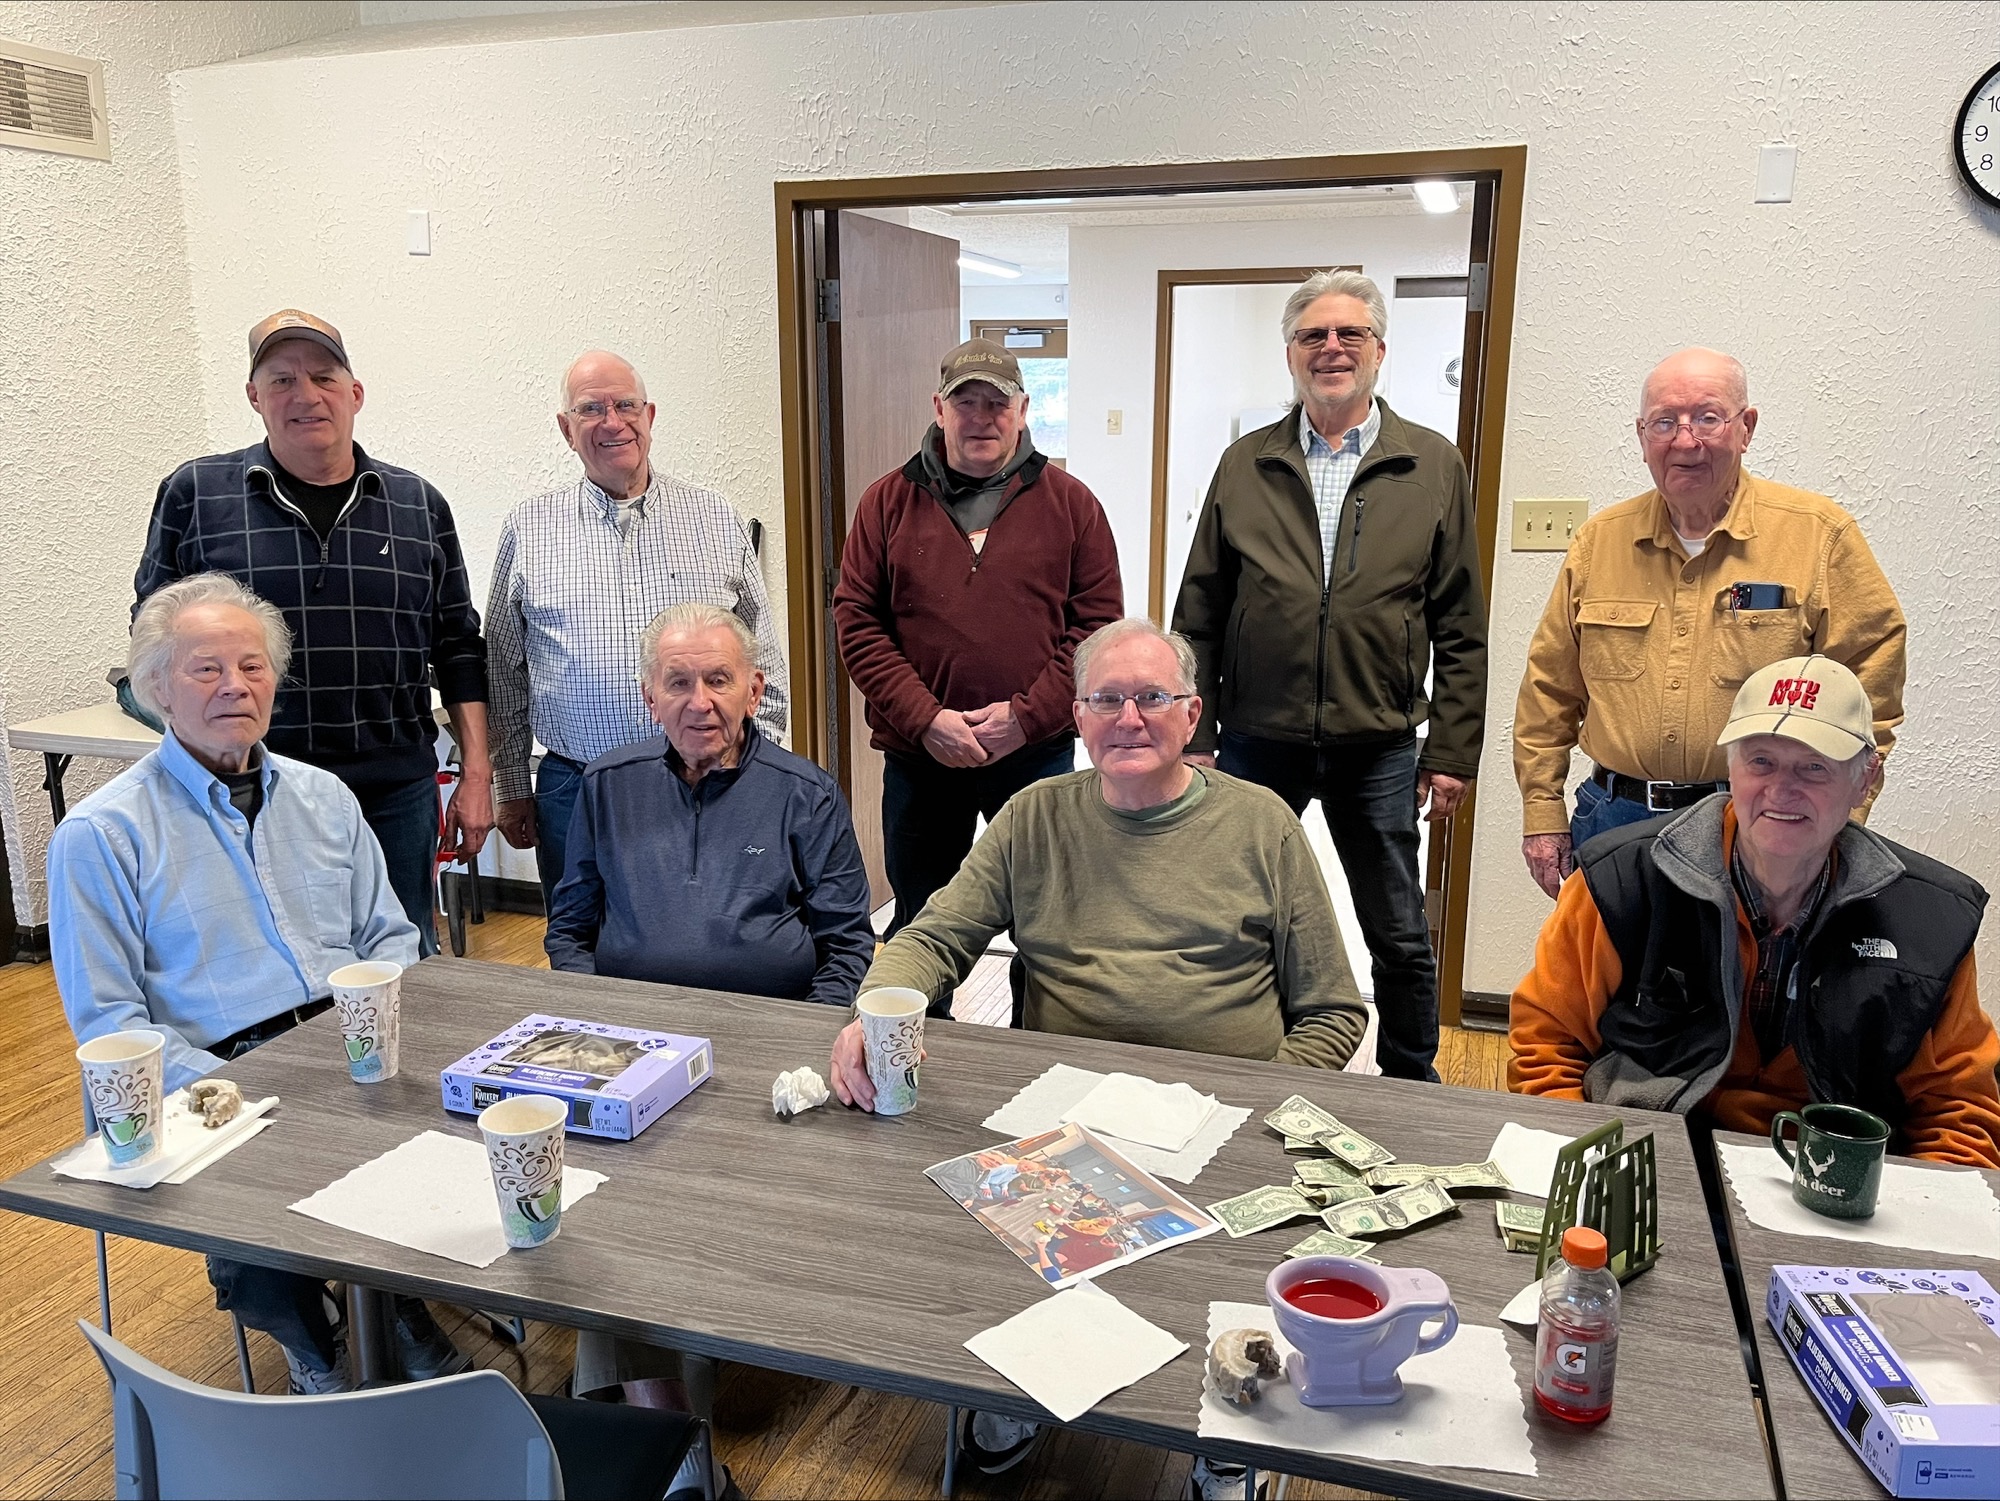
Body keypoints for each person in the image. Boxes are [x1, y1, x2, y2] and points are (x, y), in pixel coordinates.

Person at [828, 617, 1367, 1498]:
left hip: (1221, 1110)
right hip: (1064, 1110)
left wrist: (1265, 1108)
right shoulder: (1032, 815)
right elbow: (932, 936)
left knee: (1223, 1264)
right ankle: (1021, 1388)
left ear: (1191, 715)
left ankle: (1229, 1428)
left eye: (1152, 697)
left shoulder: (1261, 824)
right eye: (1107, 699)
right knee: (981, 1206)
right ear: (1076, 716)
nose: (1129, 717)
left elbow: (1334, 1010)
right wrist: (873, 1009)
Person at [47, 574, 465, 1393]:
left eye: (252, 665)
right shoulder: (100, 834)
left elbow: (389, 937)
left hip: (351, 1038)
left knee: (458, 1121)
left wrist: (384, 1029)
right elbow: (109, 1020)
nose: (235, 685)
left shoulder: (326, 796)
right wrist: (238, 1088)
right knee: (263, 1189)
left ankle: (397, 1298)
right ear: (155, 687)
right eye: (207, 668)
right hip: (214, 1073)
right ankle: (315, 1347)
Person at [1173, 268, 1488, 1086]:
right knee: (1239, 916)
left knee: (1398, 930)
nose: (1332, 348)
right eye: (1314, 335)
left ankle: (1413, 1084)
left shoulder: (1432, 464)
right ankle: (1250, 1064)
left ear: (1380, 349)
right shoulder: (1246, 463)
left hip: (1378, 743)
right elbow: (1199, 609)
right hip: (1254, 739)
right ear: (1291, 354)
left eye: (1349, 334)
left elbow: (1460, 623)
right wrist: (1194, 732)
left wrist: (1452, 748)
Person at [1511, 656, 2000, 1168]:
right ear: (1730, 767)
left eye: (1815, 766)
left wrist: (1899, 1226)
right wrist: (1594, 1174)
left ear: (1865, 779)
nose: (1782, 789)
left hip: (1828, 1179)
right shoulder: (1621, 879)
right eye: (1761, 760)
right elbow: (1546, 1046)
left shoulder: (1929, 922)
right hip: (1648, 1155)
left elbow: (1958, 1114)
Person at [134, 309, 492, 955]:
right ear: (253, 396)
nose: (305, 396)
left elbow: (459, 645)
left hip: (392, 790)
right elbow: (154, 642)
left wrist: (475, 775)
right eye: (281, 380)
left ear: (355, 393)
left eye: (323, 376)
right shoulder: (196, 494)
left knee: (401, 957)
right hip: (246, 789)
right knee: (265, 967)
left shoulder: (417, 504)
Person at [1514, 347, 1906, 899]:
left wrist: (1844, 809)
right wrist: (1542, 811)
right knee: (1605, 985)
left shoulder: (1819, 537)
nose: (1685, 441)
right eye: (1665, 422)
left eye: (1707, 417)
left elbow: (1871, 689)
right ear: (1641, 435)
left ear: (1746, 428)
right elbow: (1548, 691)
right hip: (1615, 823)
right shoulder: (1598, 542)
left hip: (1758, 828)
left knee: (1743, 985)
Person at [833, 337, 1122, 956]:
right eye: (968, 402)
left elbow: (1096, 630)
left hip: (1034, 756)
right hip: (921, 756)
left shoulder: (1073, 506)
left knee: (1043, 923)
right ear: (940, 408)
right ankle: (910, 1046)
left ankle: (1031, 1051)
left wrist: (1024, 719)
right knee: (921, 920)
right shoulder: (885, 503)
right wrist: (926, 719)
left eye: (999, 403)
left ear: (1024, 411)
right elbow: (857, 621)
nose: (983, 418)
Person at [488, 350, 789, 910]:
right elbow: (503, 670)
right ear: (565, 428)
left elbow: (761, 660)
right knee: (581, 947)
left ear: (649, 415)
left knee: (705, 940)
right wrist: (509, 786)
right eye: (591, 409)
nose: (612, 422)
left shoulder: (713, 517)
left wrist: (757, 775)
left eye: (625, 405)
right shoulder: (527, 526)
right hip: (575, 788)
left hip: (705, 780)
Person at [544, 601, 871, 1001]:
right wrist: (598, 1013)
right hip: (630, 1021)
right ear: (651, 699)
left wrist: (806, 1033)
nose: (700, 703)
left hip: (769, 1022)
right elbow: (569, 930)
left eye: (718, 680)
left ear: (753, 693)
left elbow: (847, 945)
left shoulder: (809, 796)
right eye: (678, 683)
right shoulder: (606, 785)